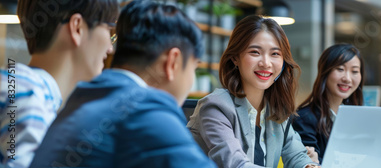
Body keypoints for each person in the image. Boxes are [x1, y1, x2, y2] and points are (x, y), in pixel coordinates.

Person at [29, 1, 216, 167]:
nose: (191, 80)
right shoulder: (145, 108)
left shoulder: (82, 97)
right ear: (173, 62)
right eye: (193, 67)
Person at [187, 15, 319, 168]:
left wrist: (309, 166)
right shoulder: (216, 107)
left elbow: (296, 155)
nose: (266, 63)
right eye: (255, 52)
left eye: (275, 54)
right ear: (235, 58)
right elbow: (236, 164)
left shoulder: (277, 110)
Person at [0, 0, 119, 167]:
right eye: (109, 30)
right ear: (77, 28)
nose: (110, 48)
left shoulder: (34, 92)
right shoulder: (27, 90)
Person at [292, 44, 381, 167]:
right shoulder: (304, 119)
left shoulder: (363, 118)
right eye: (340, 69)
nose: (347, 78)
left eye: (355, 71)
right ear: (325, 72)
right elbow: (310, 162)